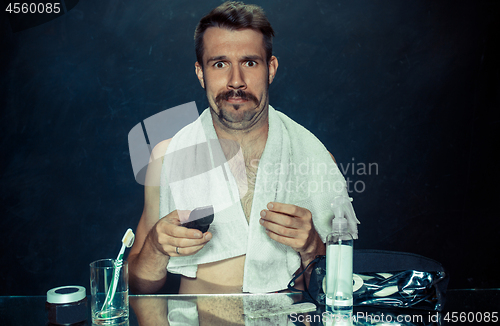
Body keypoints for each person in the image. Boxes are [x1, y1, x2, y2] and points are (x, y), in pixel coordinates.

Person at [128, 1, 357, 295]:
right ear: (200, 73)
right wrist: (156, 247)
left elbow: (340, 292)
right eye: (220, 64)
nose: (236, 81)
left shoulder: (316, 160)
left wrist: (313, 245)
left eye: (249, 62)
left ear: (270, 69)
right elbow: (135, 285)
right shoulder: (167, 158)